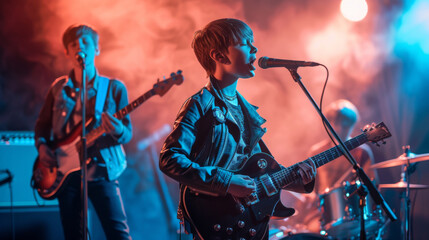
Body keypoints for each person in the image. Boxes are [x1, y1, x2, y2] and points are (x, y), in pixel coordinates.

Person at [159, 18, 317, 240]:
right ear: (219, 56)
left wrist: (303, 179)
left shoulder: (246, 111)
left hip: (251, 223)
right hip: (216, 220)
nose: (255, 48)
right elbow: (170, 159)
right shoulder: (199, 105)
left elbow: (263, 171)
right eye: (245, 43)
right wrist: (225, 182)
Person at [34, 24, 132, 240]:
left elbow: (127, 133)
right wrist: (42, 147)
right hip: (65, 174)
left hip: (101, 170)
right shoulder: (58, 88)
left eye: (86, 42)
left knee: (118, 234)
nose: (80, 47)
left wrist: (118, 131)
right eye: (73, 44)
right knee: (73, 235)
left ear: (97, 49)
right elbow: (42, 126)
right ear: (67, 52)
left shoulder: (114, 88)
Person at [288, 99, 378, 234]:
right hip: (321, 212)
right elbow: (310, 185)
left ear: (353, 124)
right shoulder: (316, 152)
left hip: (354, 212)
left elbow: (373, 185)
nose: (341, 128)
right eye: (337, 123)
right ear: (329, 124)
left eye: (346, 124)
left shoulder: (362, 152)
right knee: (310, 232)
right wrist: (310, 195)